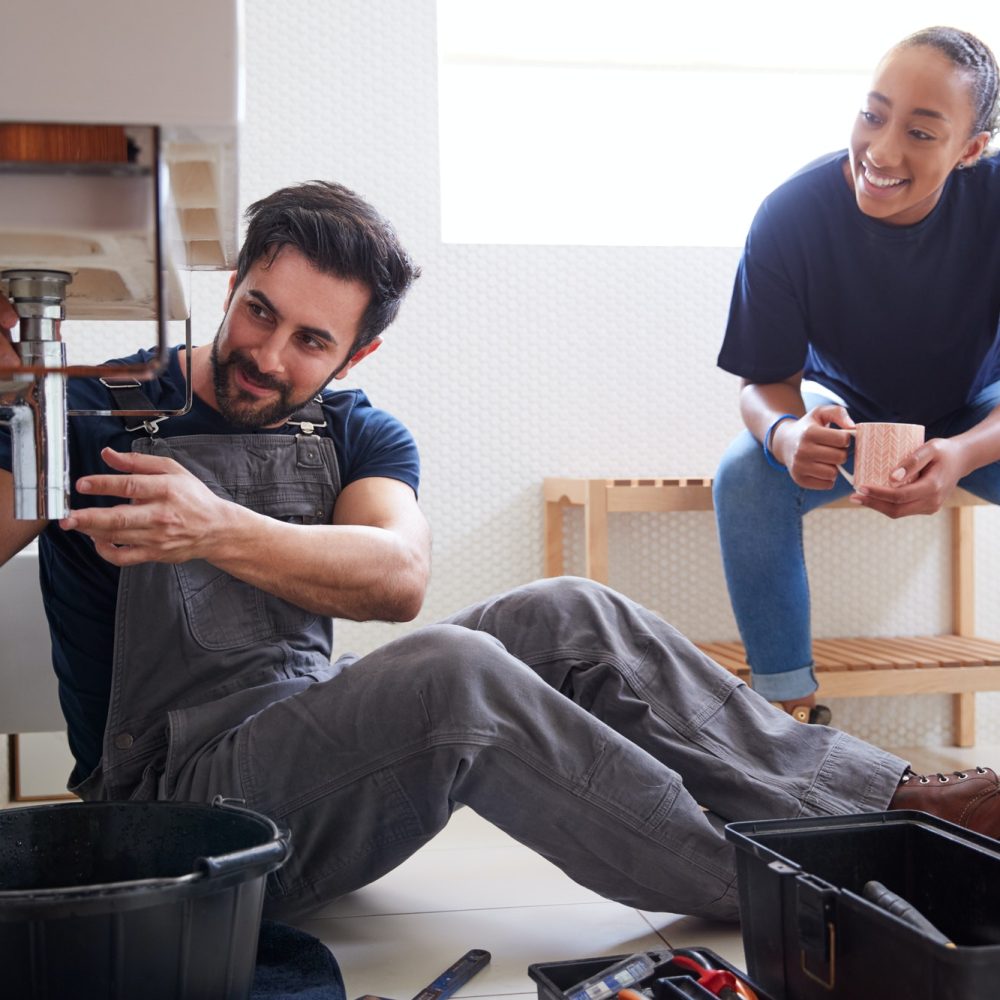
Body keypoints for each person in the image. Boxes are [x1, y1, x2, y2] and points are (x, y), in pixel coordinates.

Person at [1, 181, 999, 925]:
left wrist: (217, 525)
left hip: (304, 747)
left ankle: (881, 805)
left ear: (356, 356)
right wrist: (13, 411)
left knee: (570, 610)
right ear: (231, 287)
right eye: (259, 310)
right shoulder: (91, 409)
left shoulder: (356, 432)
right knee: (456, 674)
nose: (269, 354)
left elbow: (397, 577)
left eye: (312, 340)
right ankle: (802, 894)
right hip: (173, 814)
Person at [713, 26, 1000, 720]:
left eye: (922, 133)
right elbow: (764, 382)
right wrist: (785, 435)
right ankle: (789, 721)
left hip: (979, 415)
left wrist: (963, 452)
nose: (882, 149)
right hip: (844, 411)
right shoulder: (792, 213)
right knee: (745, 477)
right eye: (873, 114)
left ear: (970, 149)